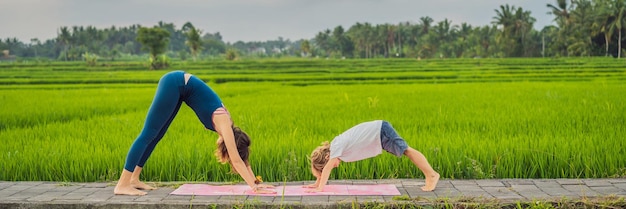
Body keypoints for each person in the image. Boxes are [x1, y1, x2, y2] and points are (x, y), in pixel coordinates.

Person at [114, 70, 275, 195]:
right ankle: (122, 184)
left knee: (157, 136)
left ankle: (134, 179)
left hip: (180, 89)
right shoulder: (225, 123)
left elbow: (242, 159)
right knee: (148, 134)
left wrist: (257, 182)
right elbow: (236, 158)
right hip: (175, 82)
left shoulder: (226, 127)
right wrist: (253, 187)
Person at [304, 120, 440, 192]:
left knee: (406, 150)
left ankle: (431, 175)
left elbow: (327, 168)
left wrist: (320, 189)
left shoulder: (336, 146)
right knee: (405, 151)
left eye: (330, 165)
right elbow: (326, 169)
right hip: (379, 135)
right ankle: (430, 175)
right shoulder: (337, 145)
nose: (334, 166)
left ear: (327, 158)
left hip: (381, 132)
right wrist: (317, 182)